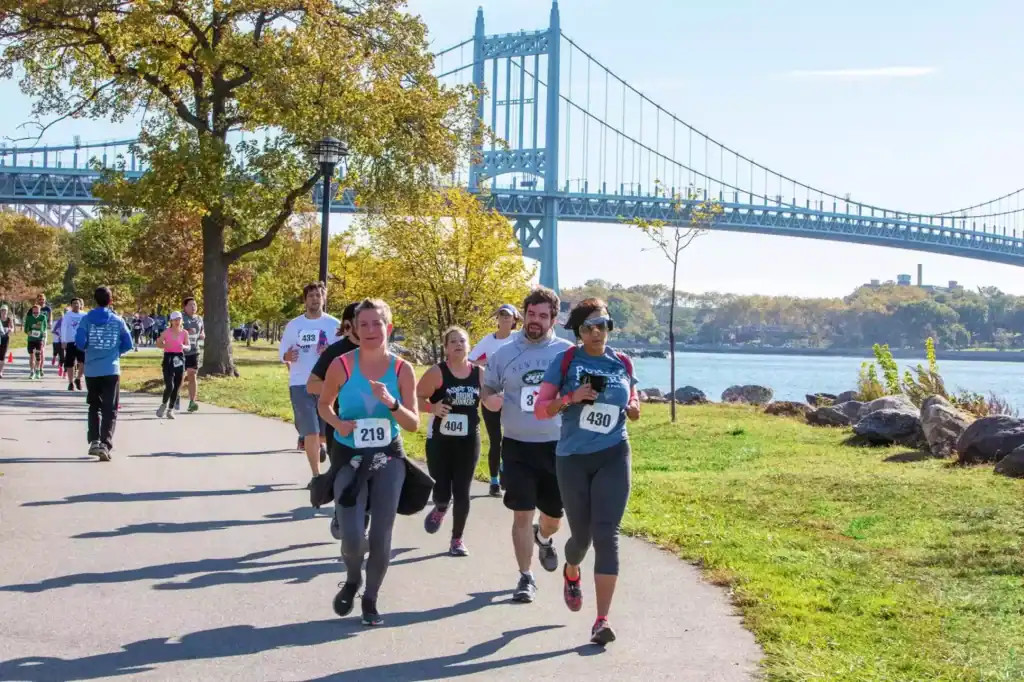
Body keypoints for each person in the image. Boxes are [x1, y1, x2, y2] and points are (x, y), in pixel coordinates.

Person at [535, 298, 640, 646]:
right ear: (579, 332)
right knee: (582, 539)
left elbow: (632, 397)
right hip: (573, 458)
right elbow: (541, 411)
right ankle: (571, 570)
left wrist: (634, 406)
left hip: (614, 453)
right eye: (589, 327)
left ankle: (601, 620)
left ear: (610, 327)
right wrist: (571, 398)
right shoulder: (565, 361)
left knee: (607, 534)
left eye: (603, 325)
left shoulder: (622, 361)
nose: (597, 332)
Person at [317, 298, 419, 626]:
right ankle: (352, 578)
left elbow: (413, 423)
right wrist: (338, 424)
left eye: (377, 324)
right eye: (364, 325)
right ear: (355, 330)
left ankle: (371, 599)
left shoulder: (402, 369)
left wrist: (391, 403)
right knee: (351, 538)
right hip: (349, 454)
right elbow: (324, 405)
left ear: (388, 328)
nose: (371, 330)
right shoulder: (342, 365)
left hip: (388, 456)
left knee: (381, 537)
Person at [480, 287, 573, 603]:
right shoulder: (504, 353)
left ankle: (544, 536)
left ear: (554, 319)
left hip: (557, 446)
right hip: (518, 445)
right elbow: (488, 390)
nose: (535, 321)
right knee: (521, 513)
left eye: (543, 316)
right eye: (531, 314)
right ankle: (525, 576)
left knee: (553, 516)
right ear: (524, 314)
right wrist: (491, 401)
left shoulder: (566, 353)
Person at [417, 326, 482, 557]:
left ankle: (457, 539)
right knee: (442, 488)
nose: (458, 344)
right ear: (445, 348)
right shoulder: (438, 372)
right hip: (440, 441)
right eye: (452, 341)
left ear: (469, 345)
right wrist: (432, 407)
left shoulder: (479, 374)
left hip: (468, 440)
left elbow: (491, 400)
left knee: (463, 491)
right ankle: (441, 506)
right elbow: (417, 398)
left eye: (462, 340)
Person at [308, 302, 363, 539]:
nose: (369, 327)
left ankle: (363, 521)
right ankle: (340, 512)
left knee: (371, 474)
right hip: (339, 424)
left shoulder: (380, 352)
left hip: (373, 425)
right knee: (343, 473)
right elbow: (312, 384)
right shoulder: (335, 352)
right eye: (362, 321)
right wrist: (342, 389)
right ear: (349, 324)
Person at [279, 283, 340, 483]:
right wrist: (288, 355)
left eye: (318, 295)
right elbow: (282, 353)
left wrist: (329, 352)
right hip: (300, 383)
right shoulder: (294, 325)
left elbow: (345, 354)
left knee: (324, 433)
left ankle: (319, 445)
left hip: (326, 384)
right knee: (311, 431)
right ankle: (316, 476)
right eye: (311, 296)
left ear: (323, 299)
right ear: (305, 300)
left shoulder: (334, 325)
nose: (315, 299)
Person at [75, 286, 134, 460]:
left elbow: (79, 342)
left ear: (95, 300)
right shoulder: (117, 320)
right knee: (110, 408)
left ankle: (93, 440)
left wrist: (89, 348)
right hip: (111, 369)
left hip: (92, 370)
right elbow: (128, 343)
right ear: (111, 301)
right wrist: (116, 352)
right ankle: (105, 445)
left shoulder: (86, 319)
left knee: (94, 405)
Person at [468, 303, 520, 497]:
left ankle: (509, 477)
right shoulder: (488, 340)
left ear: (515, 320)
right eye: (501, 315)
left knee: (512, 438)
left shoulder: (519, 339)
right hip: (490, 395)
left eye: (509, 316)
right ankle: (494, 482)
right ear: (497, 319)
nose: (505, 318)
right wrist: (488, 363)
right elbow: (471, 360)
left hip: (513, 396)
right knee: (495, 440)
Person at [156, 311, 192, 419]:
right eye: (175, 320)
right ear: (171, 321)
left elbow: (188, 346)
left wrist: (184, 347)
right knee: (170, 385)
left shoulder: (184, 332)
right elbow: (158, 343)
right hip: (168, 358)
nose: (177, 322)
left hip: (180, 358)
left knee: (177, 386)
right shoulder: (166, 332)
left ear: (182, 321)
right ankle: (163, 405)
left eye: (179, 319)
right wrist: (164, 344)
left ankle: (170, 410)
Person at [180, 296, 205, 412]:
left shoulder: (199, 319)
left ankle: (192, 402)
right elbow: (173, 331)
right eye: (190, 305)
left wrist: (202, 335)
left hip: (194, 351)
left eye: (195, 305)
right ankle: (176, 397)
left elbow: (202, 331)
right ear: (185, 307)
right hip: (180, 351)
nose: (193, 307)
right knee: (179, 376)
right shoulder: (180, 318)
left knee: (192, 375)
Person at [61, 298, 87, 391]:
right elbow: (63, 328)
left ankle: (78, 378)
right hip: (70, 341)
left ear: (81, 305)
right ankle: (70, 382)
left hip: (81, 342)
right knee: (70, 363)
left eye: (78, 303)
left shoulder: (84, 315)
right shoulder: (67, 315)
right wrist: (63, 341)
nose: (76, 305)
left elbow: (88, 328)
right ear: (71, 305)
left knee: (83, 362)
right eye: (74, 303)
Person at [24, 303, 49, 380]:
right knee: (31, 356)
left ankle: (37, 370)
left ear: (40, 311)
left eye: (37, 312)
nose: (35, 314)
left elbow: (45, 327)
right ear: (32, 312)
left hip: (39, 339)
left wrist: (44, 333)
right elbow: (25, 329)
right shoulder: (29, 318)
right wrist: (29, 332)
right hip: (31, 339)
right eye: (34, 312)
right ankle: (32, 372)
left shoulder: (43, 317)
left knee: (38, 355)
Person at [0, 304, 11, 378]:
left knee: (2, 356)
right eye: (2, 310)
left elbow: (12, 328)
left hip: (5, 338)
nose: (4, 312)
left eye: (5, 310)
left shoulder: (9, 319)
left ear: (7, 311)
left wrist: (10, 330)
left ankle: (0, 372)